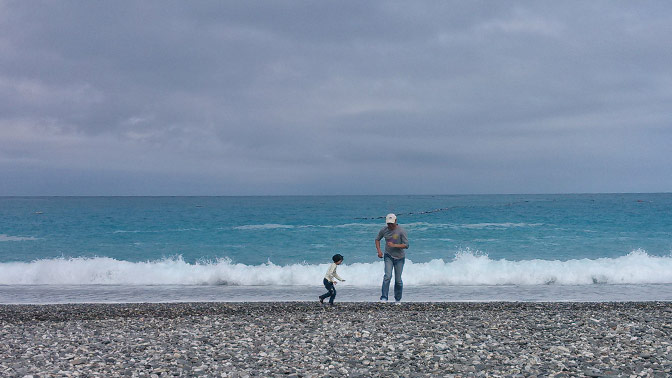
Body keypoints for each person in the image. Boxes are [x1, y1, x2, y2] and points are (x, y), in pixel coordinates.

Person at [375, 213, 409, 304]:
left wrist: (394, 245)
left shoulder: (401, 231)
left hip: (399, 258)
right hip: (388, 256)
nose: (389, 225)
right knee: (387, 276)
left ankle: (397, 299)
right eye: (388, 223)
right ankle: (384, 297)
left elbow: (406, 245)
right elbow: (377, 239)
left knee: (398, 280)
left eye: (391, 223)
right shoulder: (384, 230)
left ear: (395, 221)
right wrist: (379, 251)